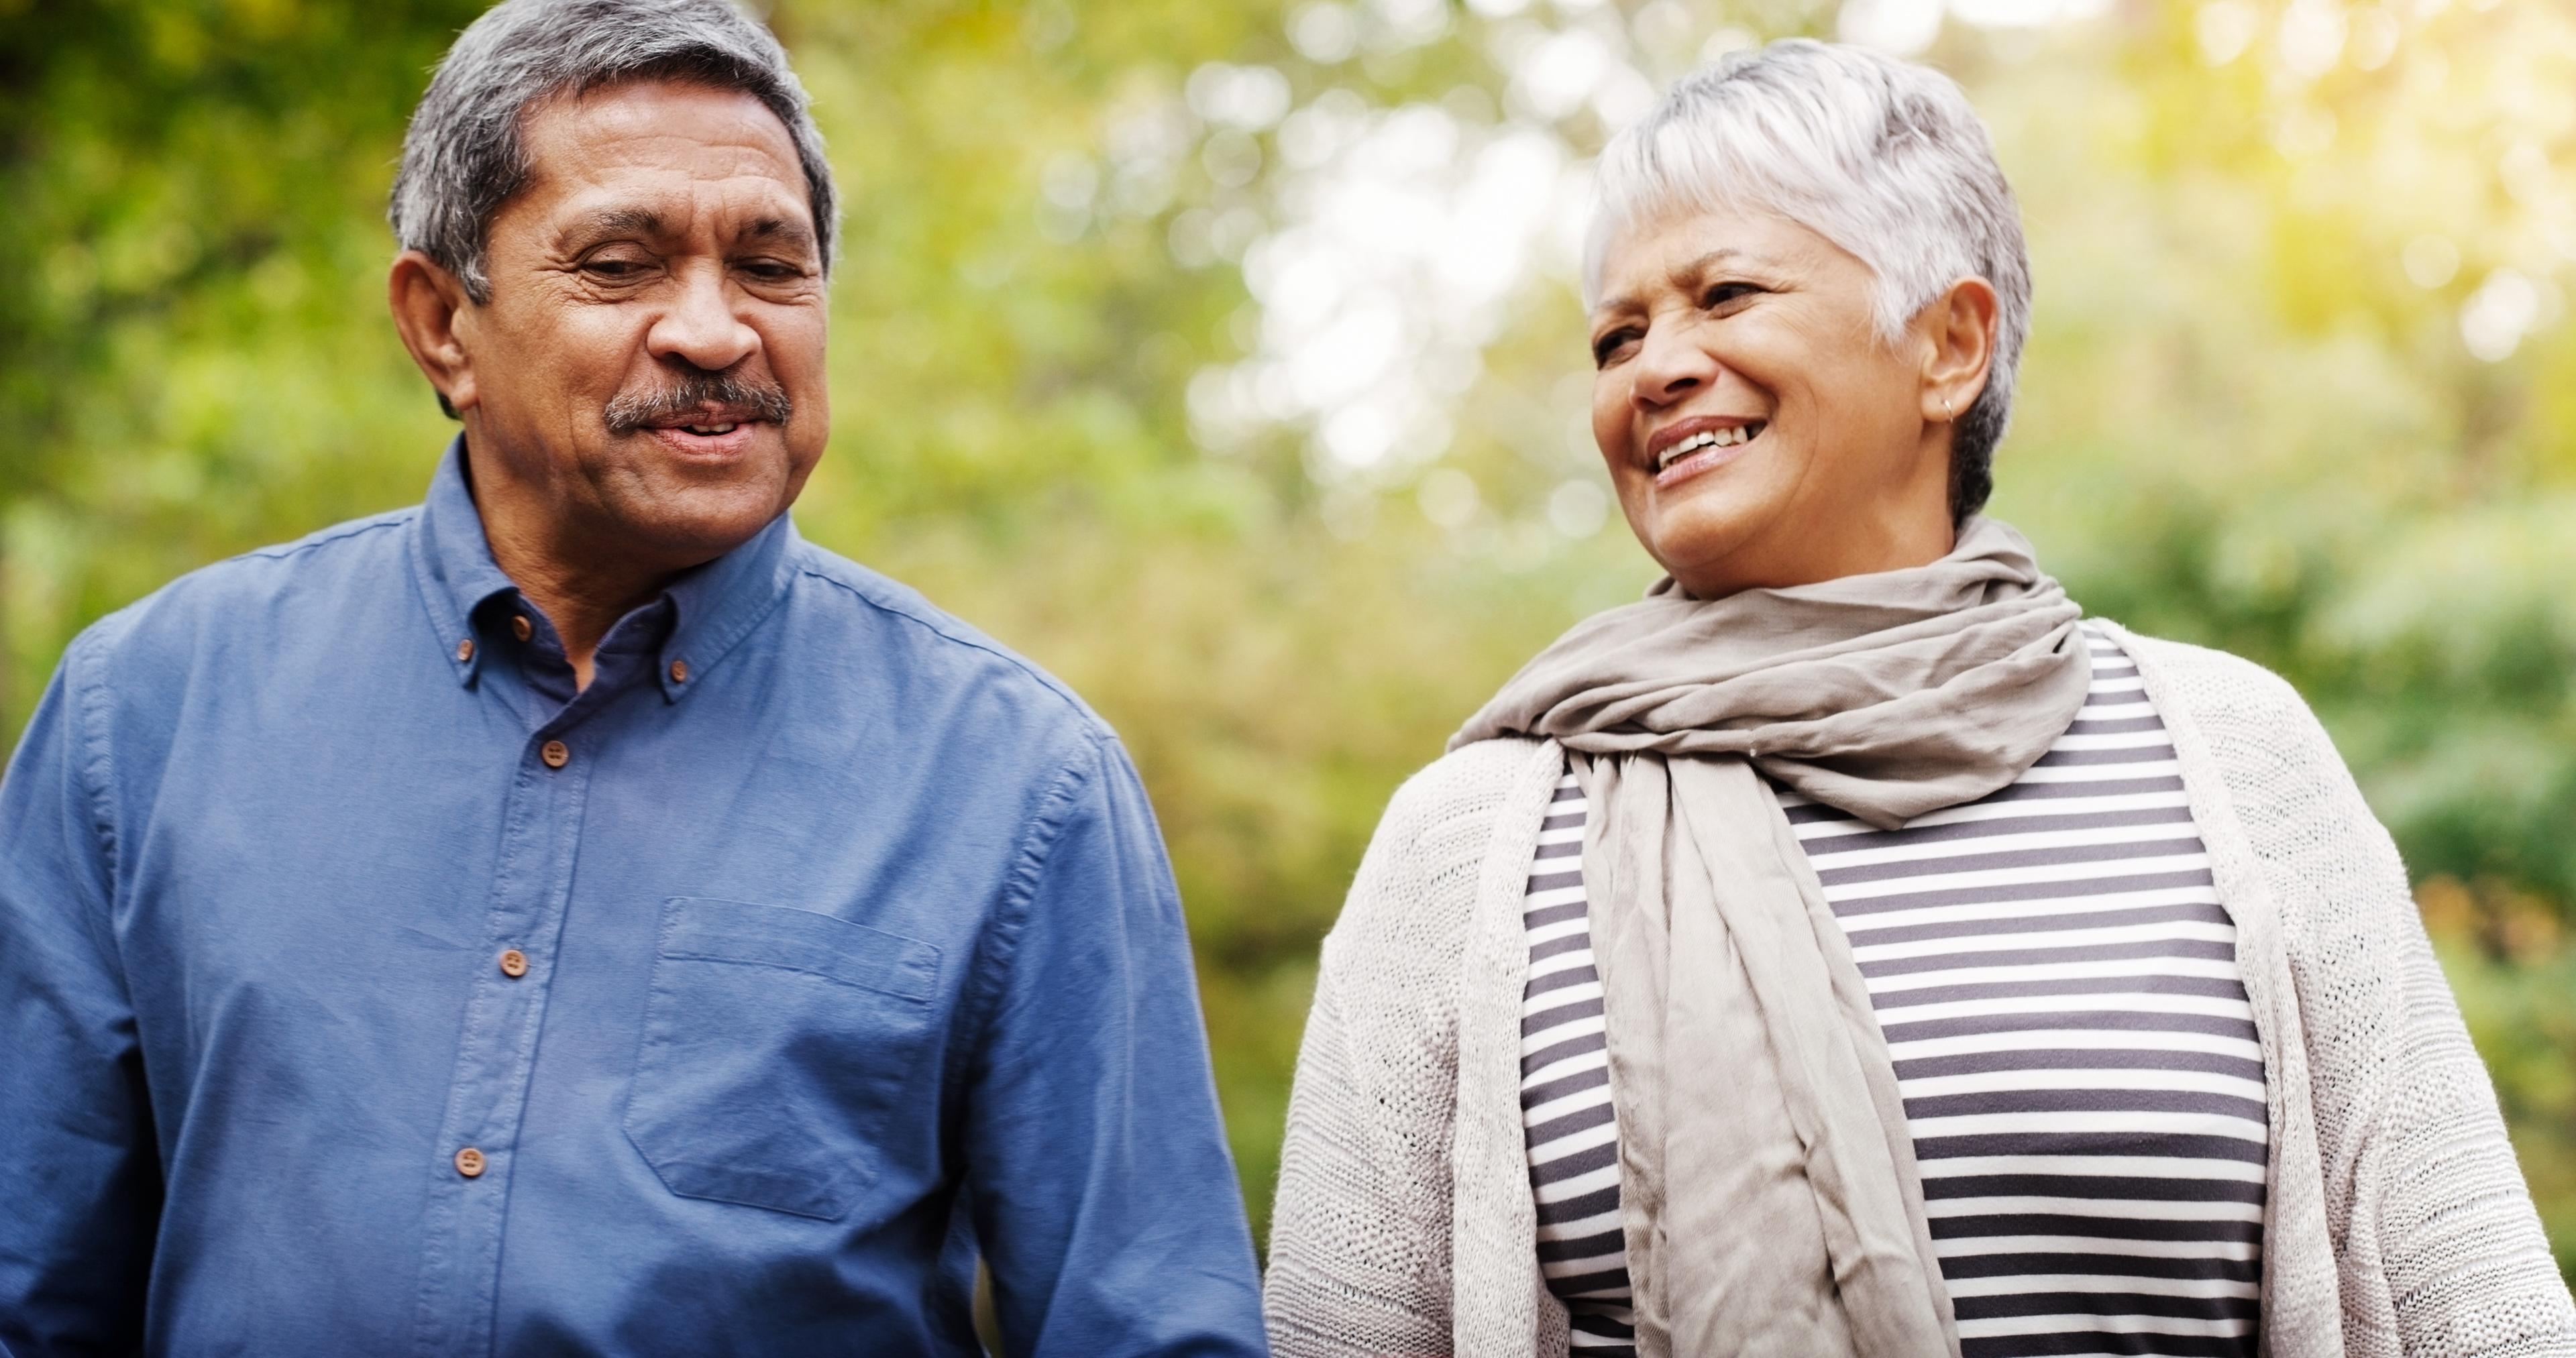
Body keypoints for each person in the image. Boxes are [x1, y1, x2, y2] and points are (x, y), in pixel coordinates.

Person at [1263, 38, 2575, 1358]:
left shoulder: (2234, 759)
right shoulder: (1476, 842)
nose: (1655, 366)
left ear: (1950, 344)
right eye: (1619, 333)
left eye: (1724, 294)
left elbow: (2478, 1302)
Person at [0, 1, 1265, 1353]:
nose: (715, 332)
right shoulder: (145, 714)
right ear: (441, 324)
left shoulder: (1019, 784)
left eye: (772, 267)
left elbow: (1152, 1327)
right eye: (622, 264)